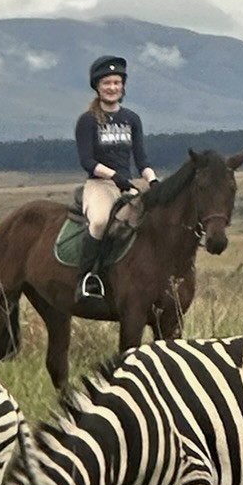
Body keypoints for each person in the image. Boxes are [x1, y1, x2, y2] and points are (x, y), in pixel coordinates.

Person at [73, 54, 156, 302]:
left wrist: (153, 182)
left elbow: (141, 159)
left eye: (116, 83)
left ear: (123, 87)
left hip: (127, 185)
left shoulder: (131, 119)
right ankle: (87, 278)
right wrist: (115, 176)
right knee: (99, 222)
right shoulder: (87, 121)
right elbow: (87, 161)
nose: (112, 88)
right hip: (99, 184)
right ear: (97, 87)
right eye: (107, 83)